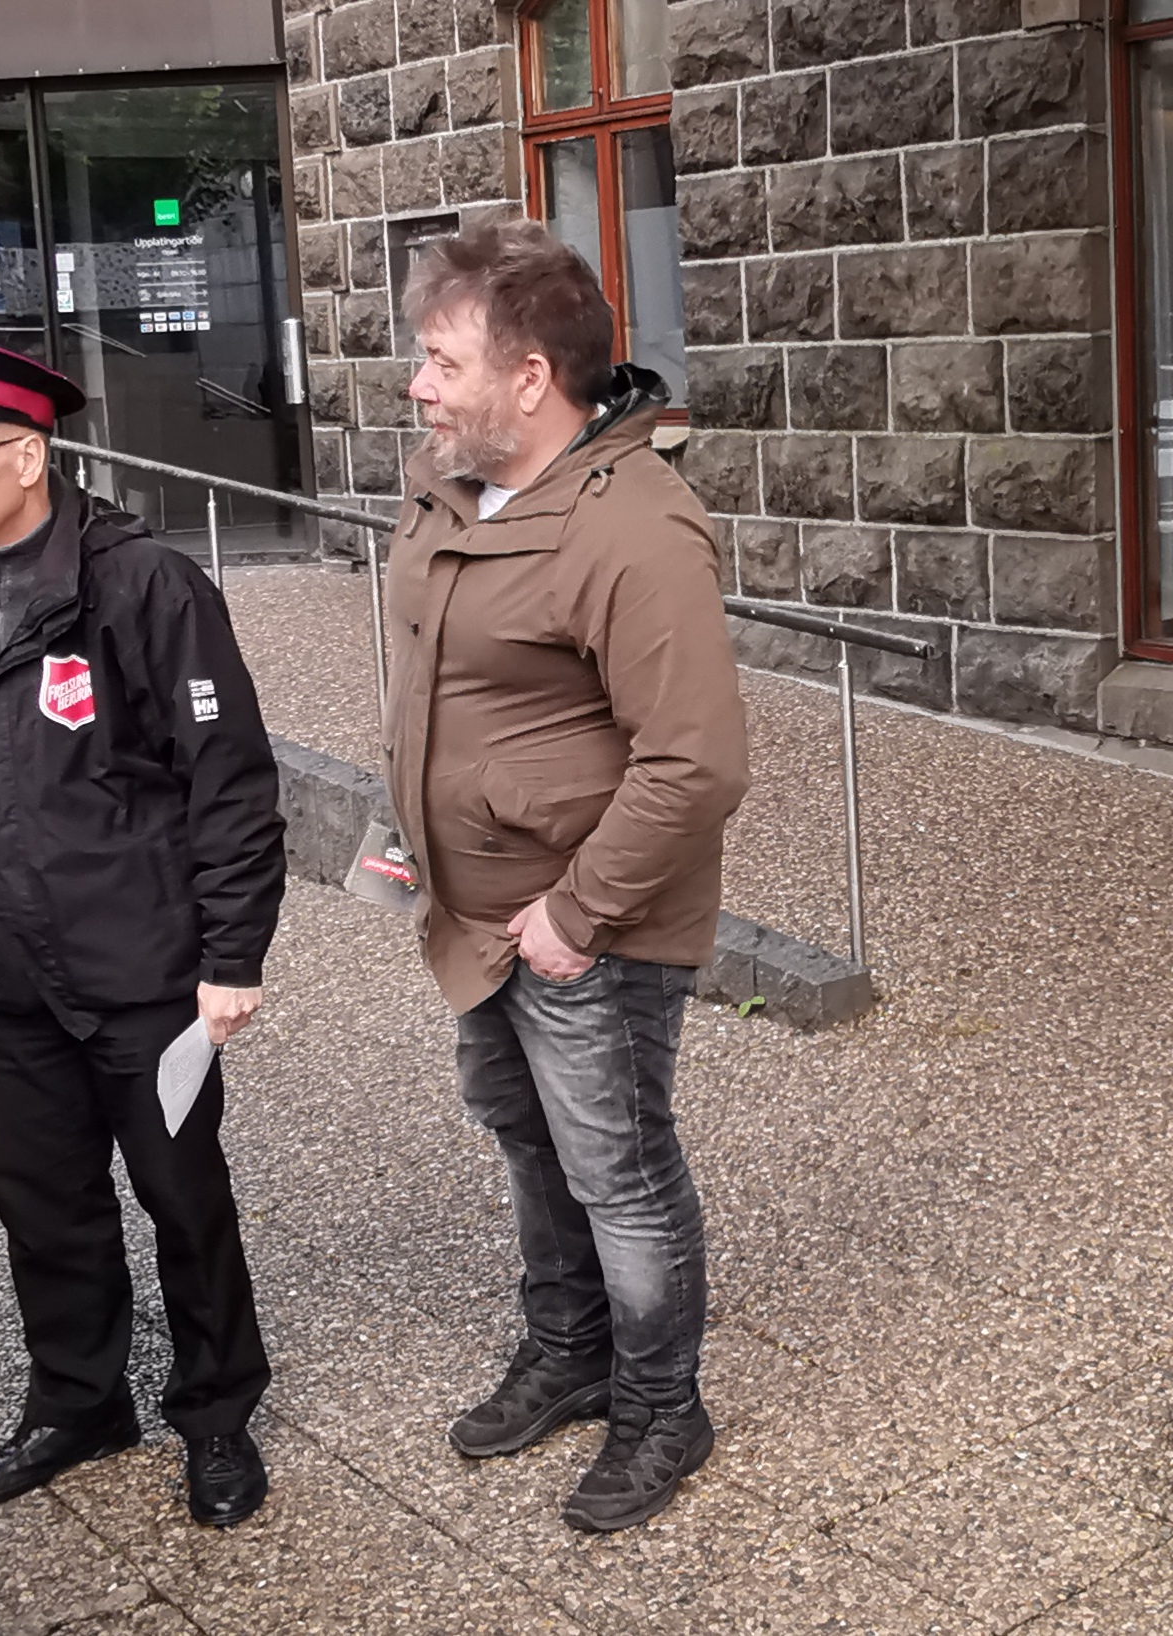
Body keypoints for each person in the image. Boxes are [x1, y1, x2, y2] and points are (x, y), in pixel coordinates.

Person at [0, 328, 287, 1528]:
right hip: (1, 978)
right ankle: (77, 1401)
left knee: (182, 1199)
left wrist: (231, 954)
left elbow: (226, 780)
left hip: (141, 972)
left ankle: (215, 1414)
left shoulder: (145, 587)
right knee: (42, 1205)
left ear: (26, 454)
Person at [387, 218, 750, 1532]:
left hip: (580, 927)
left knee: (619, 1169)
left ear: (530, 375)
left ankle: (661, 1406)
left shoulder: (634, 529)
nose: (417, 385)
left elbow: (694, 761)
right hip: (476, 911)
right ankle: (570, 1353)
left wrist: (576, 913)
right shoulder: (454, 490)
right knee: (527, 1137)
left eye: (441, 361)